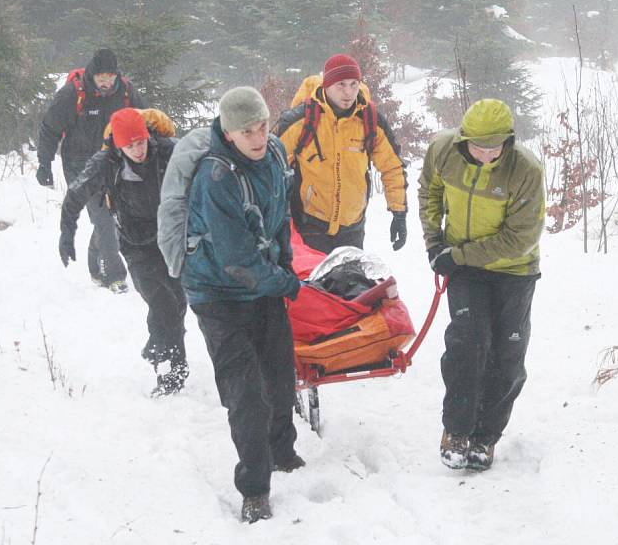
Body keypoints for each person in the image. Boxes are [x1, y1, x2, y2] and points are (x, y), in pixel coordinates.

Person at [177, 87, 303, 523]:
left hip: (262, 283)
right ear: (229, 134)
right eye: (247, 131)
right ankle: (255, 486)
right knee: (246, 393)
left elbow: (278, 216)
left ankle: (282, 450)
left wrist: (285, 263)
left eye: (263, 126)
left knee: (280, 376)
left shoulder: (275, 155)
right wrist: (285, 281)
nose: (258, 137)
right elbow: (234, 260)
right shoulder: (217, 178)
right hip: (217, 293)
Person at [417, 98, 545, 471]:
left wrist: (456, 256)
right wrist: (433, 242)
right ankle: (456, 430)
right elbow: (430, 191)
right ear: (463, 139)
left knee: (507, 354)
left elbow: (519, 238)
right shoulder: (443, 150)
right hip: (465, 268)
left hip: (514, 269)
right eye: (478, 146)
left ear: (508, 141)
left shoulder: (525, 170)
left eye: (495, 147)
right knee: (468, 342)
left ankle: (485, 436)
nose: (487, 155)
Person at [59, 107, 189, 396]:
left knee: (178, 303)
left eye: (141, 142)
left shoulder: (169, 151)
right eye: (130, 146)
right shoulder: (105, 163)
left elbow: (204, 163)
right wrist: (66, 234)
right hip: (136, 245)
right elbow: (75, 194)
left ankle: (157, 348)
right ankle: (172, 370)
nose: (138, 150)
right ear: (118, 145)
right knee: (163, 305)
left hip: (172, 240)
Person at [273, 53, 408, 254]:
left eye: (354, 84)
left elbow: (392, 167)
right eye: (341, 85)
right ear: (327, 85)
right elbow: (268, 164)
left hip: (352, 228)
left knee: (350, 285)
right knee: (314, 285)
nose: (348, 92)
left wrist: (399, 213)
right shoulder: (301, 120)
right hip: (309, 224)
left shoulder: (370, 121)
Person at [37, 48, 145, 293]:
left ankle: (96, 265)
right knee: (104, 218)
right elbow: (49, 128)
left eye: (110, 76)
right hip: (80, 164)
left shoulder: (126, 92)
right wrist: (44, 163)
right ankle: (113, 276)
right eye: (101, 77)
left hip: (114, 160)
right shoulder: (73, 94)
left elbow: (144, 121)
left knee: (115, 215)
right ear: (92, 74)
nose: (106, 82)